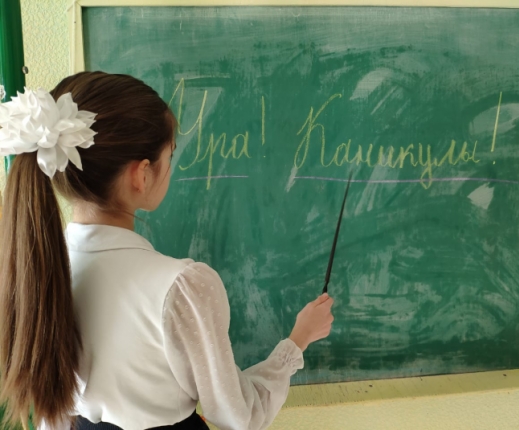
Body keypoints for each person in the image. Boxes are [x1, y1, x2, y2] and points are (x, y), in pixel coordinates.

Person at [0, 72, 334, 430]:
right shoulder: (180, 288)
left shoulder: (37, 266)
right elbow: (237, 415)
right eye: (170, 156)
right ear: (141, 175)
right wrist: (297, 342)